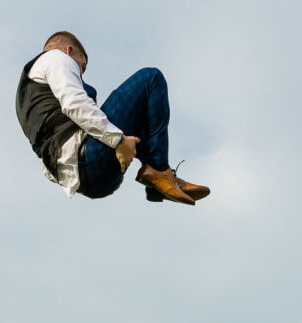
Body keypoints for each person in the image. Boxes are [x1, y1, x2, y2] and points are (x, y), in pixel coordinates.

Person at [15, 30, 210, 205]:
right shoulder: (56, 57)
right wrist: (117, 140)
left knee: (143, 114)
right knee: (151, 78)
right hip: (90, 157)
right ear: (69, 51)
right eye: (82, 67)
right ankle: (159, 170)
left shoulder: (27, 99)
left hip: (87, 182)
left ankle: (156, 175)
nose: (80, 73)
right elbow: (74, 103)